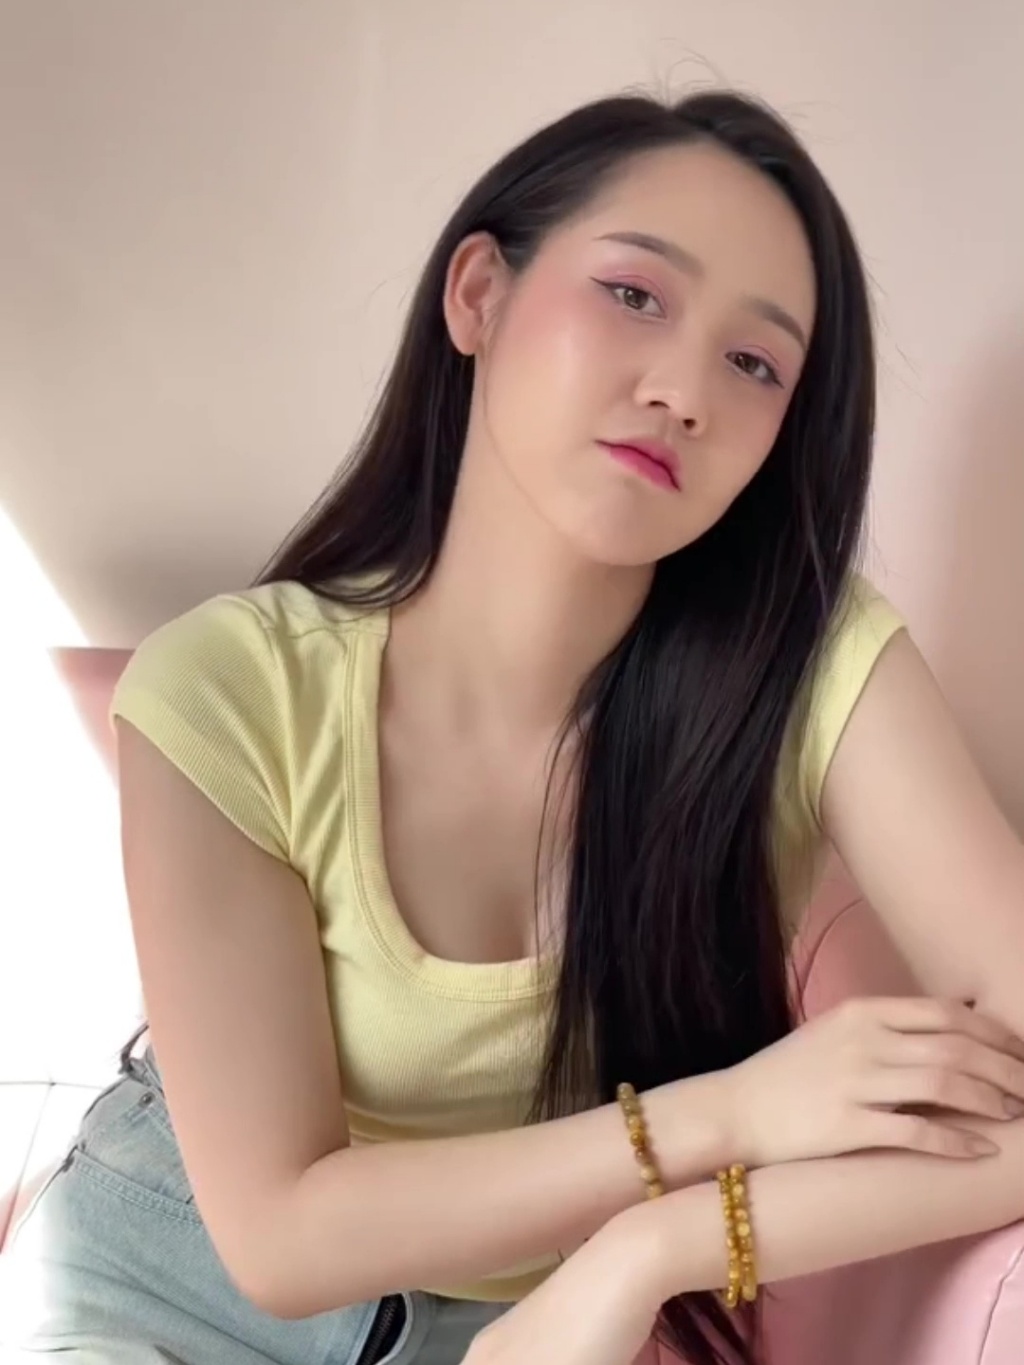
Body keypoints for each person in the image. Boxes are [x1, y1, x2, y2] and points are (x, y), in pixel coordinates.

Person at [2, 88, 1023, 1365]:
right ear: (479, 295)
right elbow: (279, 1237)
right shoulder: (231, 686)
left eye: (754, 363)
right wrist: (725, 1119)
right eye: (635, 294)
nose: (683, 391)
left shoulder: (808, 669)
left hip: (539, 1324)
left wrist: (657, 1248)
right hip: (164, 1281)